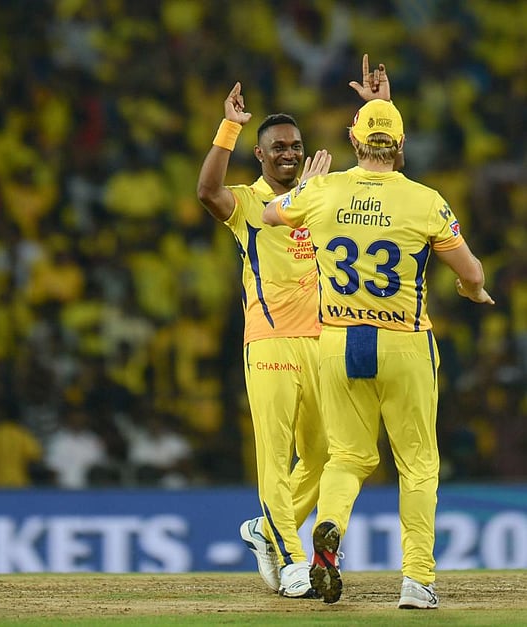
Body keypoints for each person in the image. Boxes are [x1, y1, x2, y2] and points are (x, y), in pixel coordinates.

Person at [262, 84, 495, 607]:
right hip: (404, 344)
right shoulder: (425, 200)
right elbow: (472, 270)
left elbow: (272, 214)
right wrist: (471, 288)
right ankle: (416, 580)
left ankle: (328, 532)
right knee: (417, 465)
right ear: (401, 143)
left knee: (347, 457)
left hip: (339, 341)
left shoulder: (324, 191)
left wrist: (307, 187)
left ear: (353, 139)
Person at [196, 55, 391, 598]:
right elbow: (208, 193)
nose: (289, 153)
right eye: (278, 147)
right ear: (259, 155)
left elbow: (384, 182)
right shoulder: (252, 204)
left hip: (325, 343)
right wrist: (228, 125)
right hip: (270, 342)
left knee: (326, 455)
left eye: (296, 146)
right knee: (274, 455)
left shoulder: (323, 196)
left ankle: (263, 531)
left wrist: (378, 108)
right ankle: (290, 558)